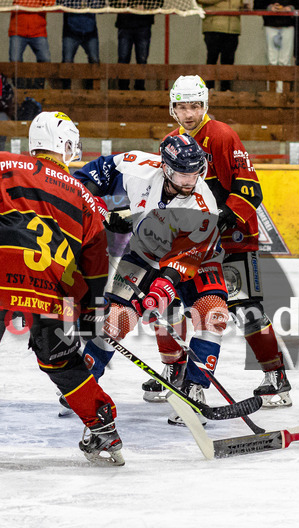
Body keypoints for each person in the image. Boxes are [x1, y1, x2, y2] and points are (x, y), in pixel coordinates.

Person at [0, 111, 122, 466]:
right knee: (61, 361)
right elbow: (94, 268)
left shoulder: (4, 164)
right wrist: (89, 312)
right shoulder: (89, 200)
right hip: (49, 292)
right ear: (65, 146)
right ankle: (103, 426)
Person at [77, 134, 229, 426]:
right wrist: (87, 199)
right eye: (183, 174)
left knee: (213, 311)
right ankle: (82, 384)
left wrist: (162, 288)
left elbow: (186, 259)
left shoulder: (204, 204)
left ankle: (194, 388)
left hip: (199, 256)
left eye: (195, 173)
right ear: (166, 168)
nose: (190, 180)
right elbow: (96, 172)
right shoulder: (139, 167)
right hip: (145, 251)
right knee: (117, 318)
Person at [163, 75, 293, 408]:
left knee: (246, 309)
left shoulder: (220, 135)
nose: (188, 113)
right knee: (178, 305)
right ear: (172, 107)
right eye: (182, 106)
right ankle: (178, 372)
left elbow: (250, 189)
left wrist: (223, 218)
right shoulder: (170, 141)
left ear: (205, 106)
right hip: (193, 244)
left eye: (194, 106)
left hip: (233, 239)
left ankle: (275, 377)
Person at [197, 0, 247, 91]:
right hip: (213, 27)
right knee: (212, 58)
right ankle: (209, 87)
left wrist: (244, 6)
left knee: (229, 60)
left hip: (232, 29)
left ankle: (226, 89)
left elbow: (241, 5)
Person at [114, 0, 158, 90]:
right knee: (123, 58)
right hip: (125, 24)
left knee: (142, 59)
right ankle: (122, 89)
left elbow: (158, 3)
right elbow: (113, 3)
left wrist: (145, 6)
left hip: (143, 24)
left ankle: (140, 89)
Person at [253, 0, 296, 93]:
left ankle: (283, 92)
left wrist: (290, 8)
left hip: (288, 24)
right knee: (271, 60)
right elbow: (257, 4)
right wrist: (269, 7)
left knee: (285, 60)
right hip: (270, 24)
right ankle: (272, 92)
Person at [9, 0, 53, 88]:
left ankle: (38, 88)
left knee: (45, 59)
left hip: (38, 31)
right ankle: (20, 88)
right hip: (18, 30)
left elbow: (50, 3)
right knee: (15, 59)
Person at [60, 0, 102, 89]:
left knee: (94, 60)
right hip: (71, 31)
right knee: (67, 61)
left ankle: (91, 89)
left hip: (90, 30)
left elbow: (101, 7)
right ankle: (65, 90)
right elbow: (60, 4)